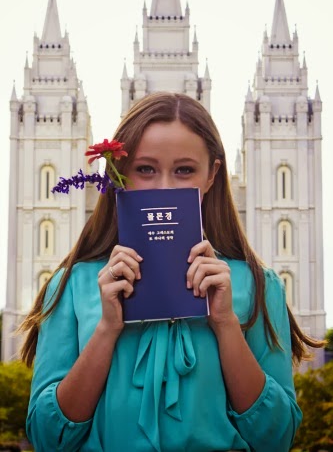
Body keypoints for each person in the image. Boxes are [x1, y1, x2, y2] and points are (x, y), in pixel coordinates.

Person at [20, 92, 322, 452]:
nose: (164, 187)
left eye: (184, 170)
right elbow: (48, 437)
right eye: (145, 169)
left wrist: (225, 323)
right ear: (119, 176)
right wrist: (106, 329)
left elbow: (276, 437)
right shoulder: (71, 286)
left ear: (212, 174)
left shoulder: (257, 286)